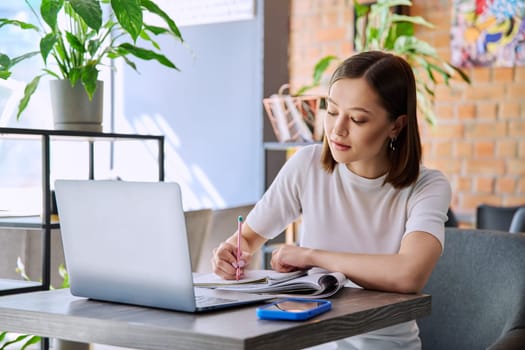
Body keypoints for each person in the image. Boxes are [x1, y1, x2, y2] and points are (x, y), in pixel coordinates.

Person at [212, 50, 451, 349]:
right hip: (310, 340)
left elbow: (409, 275)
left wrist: (312, 256)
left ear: (396, 126)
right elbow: (246, 239)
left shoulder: (427, 186)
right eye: (332, 110)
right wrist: (231, 254)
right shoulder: (308, 164)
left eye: (357, 119)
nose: (337, 129)